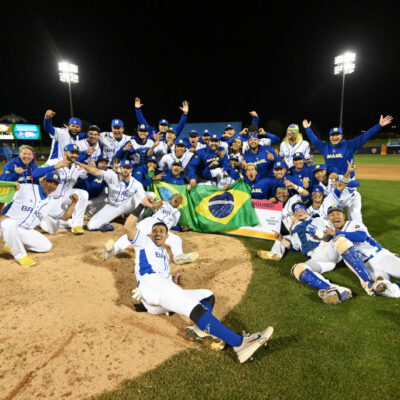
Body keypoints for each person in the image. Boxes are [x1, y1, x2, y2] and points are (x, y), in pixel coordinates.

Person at [124, 208, 274, 363]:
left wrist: (173, 279)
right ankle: (240, 344)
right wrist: (142, 204)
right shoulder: (144, 242)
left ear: (167, 236)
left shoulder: (163, 254)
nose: (157, 233)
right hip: (150, 286)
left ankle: (199, 329)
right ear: (149, 234)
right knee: (192, 307)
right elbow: (128, 227)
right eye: (154, 230)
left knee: (207, 295)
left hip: (160, 294)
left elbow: (163, 279)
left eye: (161, 231)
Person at [280, 203, 387, 305]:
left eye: (301, 209)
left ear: (307, 212)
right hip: (316, 257)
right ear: (294, 215)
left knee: (340, 240)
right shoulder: (293, 230)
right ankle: (333, 289)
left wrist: (315, 232)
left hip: (326, 248)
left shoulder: (317, 220)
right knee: (297, 269)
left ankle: (368, 283)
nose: (299, 211)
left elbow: (327, 236)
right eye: (296, 211)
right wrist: (282, 240)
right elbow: (295, 247)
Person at [0, 172, 78, 267]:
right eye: (50, 182)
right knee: (10, 223)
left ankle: (12, 244)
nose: (52, 186)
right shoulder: (25, 188)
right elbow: (3, 195)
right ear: (43, 181)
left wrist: (74, 203)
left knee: (46, 246)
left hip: (24, 231)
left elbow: (65, 217)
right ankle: (20, 256)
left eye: (55, 184)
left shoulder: (51, 202)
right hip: (4, 226)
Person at [326, 205, 400, 298]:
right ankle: (380, 285)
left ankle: (379, 284)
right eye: (332, 215)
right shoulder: (329, 237)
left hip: (381, 257)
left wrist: (336, 233)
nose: (335, 216)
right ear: (328, 218)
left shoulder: (354, 224)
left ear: (343, 216)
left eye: (338, 214)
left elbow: (361, 237)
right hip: (367, 268)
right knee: (392, 293)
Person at [101, 194, 199, 265]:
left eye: (180, 199)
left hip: (163, 230)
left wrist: (181, 229)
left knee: (177, 239)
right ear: (171, 198)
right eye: (176, 196)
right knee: (133, 233)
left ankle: (178, 256)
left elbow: (172, 225)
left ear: (180, 203)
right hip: (151, 222)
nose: (178, 198)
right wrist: (155, 205)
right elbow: (152, 208)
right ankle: (113, 249)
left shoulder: (178, 213)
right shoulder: (163, 203)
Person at [76, 160, 156, 231]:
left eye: (128, 168)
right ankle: (104, 224)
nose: (126, 170)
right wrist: (84, 166)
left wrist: (152, 203)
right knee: (91, 225)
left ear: (131, 170)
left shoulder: (136, 184)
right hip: (112, 206)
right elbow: (96, 172)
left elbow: (142, 198)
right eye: (124, 167)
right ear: (120, 168)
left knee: (144, 195)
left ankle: (138, 223)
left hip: (127, 205)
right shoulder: (112, 176)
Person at [302, 115, 393, 176]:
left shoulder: (350, 145)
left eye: (337, 134)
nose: (334, 137)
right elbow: (314, 140)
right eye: (332, 135)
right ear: (329, 137)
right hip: (332, 178)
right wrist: (307, 128)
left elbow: (365, 136)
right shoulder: (325, 146)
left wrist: (379, 126)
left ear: (341, 136)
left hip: (347, 179)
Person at [35, 144, 89, 235]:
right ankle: (40, 219)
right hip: (50, 201)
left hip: (65, 198)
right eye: (72, 152)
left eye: (76, 153)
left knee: (83, 194)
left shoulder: (77, 166)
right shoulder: (54, 161)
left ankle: (76, 225)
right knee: (53, 230)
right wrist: (55, 167)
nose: (75, 155)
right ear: (65, 152)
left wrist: (90, 166)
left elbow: (88, 175)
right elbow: (35, 173)